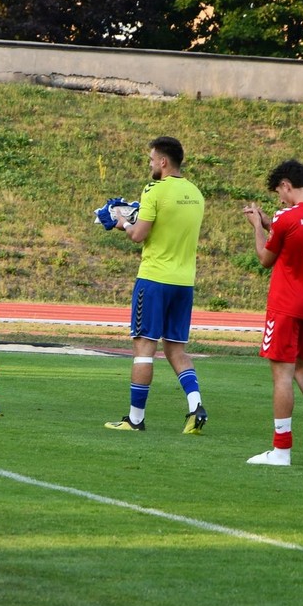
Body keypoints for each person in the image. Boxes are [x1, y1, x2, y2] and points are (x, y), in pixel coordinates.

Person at [102, 136, 209, 434]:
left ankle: (135, 418)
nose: (150, 164)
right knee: (177, 350)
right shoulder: (195, 192)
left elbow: (138, 235)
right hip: (184, 282)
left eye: (151, 159)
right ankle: (195, 406)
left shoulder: (154, 189)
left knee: (143, 348)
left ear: (163, 162)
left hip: (154, 279)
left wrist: (120, 220)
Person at [241, 159, 303, 466]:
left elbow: (266, 257)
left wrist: (258, 226)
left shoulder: (286, 216)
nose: (280, 199)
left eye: (279, 192)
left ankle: (281, 450)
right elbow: (297, 235)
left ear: (286, 184)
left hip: (285, 305)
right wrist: (272, 223)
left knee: (281, 374)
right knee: (302, 368)